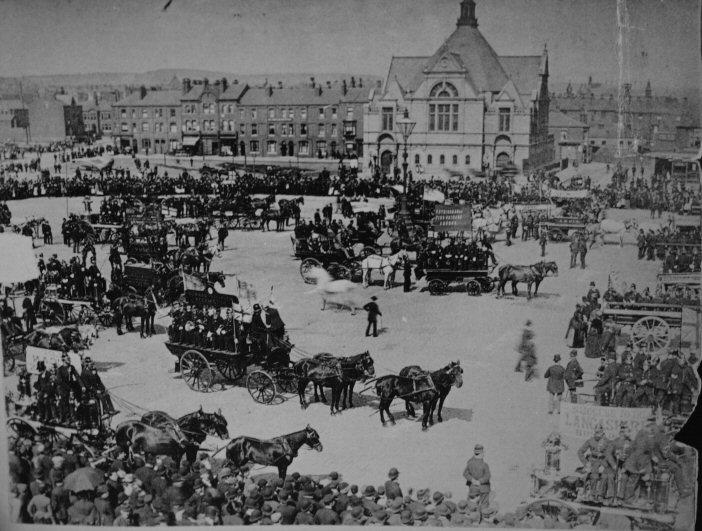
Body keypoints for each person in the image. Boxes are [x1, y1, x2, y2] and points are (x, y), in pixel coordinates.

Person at [577, 424, 614, 502]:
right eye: (596, 432)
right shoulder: (590, 440)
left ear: (603, 432)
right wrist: (586, 463)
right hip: (593, 460)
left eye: (599, 432)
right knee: (594, 475)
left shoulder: (607, 441)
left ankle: (601, 495)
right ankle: (592, 494)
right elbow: (580, 451)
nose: (597, 434)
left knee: (606, 475)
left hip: (604, 460)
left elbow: (610, 453)